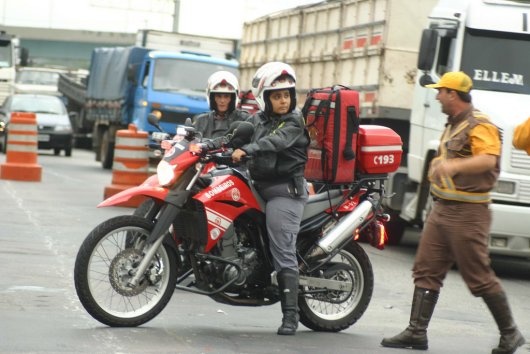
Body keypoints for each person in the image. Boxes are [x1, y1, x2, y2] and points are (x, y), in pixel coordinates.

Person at [380, 71, 525, 353]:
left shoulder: (480, 125)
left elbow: (487, 159)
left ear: (453, 95)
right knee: (426, 268)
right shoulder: (454, 124)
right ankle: (416, 332)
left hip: (468, 214)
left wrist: (453, 167)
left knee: (478, 276)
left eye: (441, 92)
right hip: (442, 210)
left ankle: (510, 333)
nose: (436, 96)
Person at [231, 62, 309, 336]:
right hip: (258, 186)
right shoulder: (259, 120)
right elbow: (236, 135)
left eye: (287, 94)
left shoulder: (294, 122)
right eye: (277, 96)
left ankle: (291, 315)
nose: (283, 100)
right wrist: (209, 145)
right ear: (265, 99)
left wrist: (247, 150)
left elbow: (274, 142)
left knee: (282, 246)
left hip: (285, 191)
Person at [192, 70, 249, 139]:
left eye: (226, 96)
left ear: (232, 98)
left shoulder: (244, 119)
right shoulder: (201, 120)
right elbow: (193, 141)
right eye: (219, 96)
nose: (222, 101)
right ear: (213, 98)